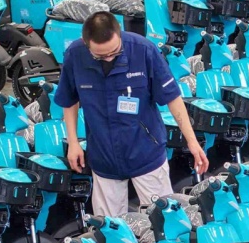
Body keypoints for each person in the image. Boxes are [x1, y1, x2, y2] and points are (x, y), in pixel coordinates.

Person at [53, 11, 209, 217]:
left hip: (146, 151)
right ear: (86, 42)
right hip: (104, 156)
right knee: (109, 228)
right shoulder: (75, 55)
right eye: (100, 55)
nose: (108, 58)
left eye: (114, 52)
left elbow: (172, 98)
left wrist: (192, 141)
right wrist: (73, 142)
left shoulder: (143, 50)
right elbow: (69, 99)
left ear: (120, 35)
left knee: (164, 218)